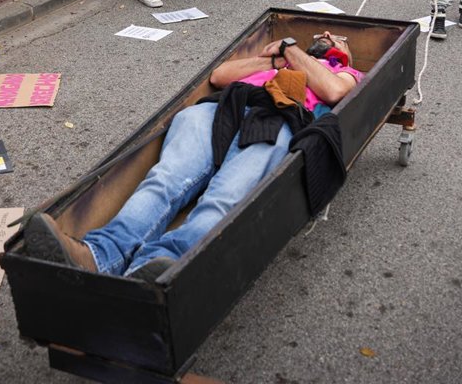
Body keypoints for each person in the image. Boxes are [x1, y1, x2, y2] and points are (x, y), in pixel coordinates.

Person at [24, 31, 362, 280]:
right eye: (321, 35)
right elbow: (219, 76)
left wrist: (291, 49)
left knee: (223, 199)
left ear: (346, 52)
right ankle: (100, 255)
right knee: (164, 180)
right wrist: (277, 59)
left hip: (277, 121)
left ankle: (155, 269)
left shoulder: (344, 72)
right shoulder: (276, 62)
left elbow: (333, 91)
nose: (326, 35)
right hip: (223, 109)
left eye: (336, 37)